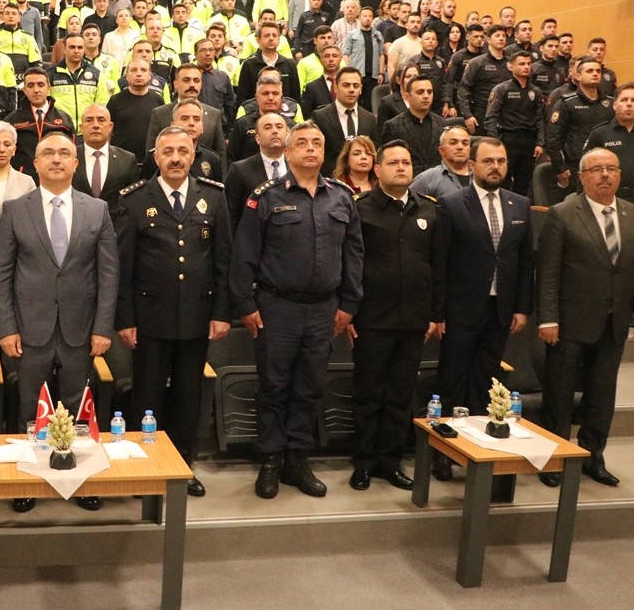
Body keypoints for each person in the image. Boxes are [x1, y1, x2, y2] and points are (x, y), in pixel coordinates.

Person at [230, 121, 363, 499]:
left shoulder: (341, 197)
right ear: (287, 153)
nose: (309, 148)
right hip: (277, 308)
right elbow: (244, 255)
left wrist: (350, 304)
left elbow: (354, 255)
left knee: (309, 388)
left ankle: (297, 459)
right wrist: (245, 304)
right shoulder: (266, 196)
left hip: (325, 310)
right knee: (273, 387)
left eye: (316, 143)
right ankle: (271, 459)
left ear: (325, 152)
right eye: (301, 143)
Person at [0, 132, 118, 513]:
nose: (57, 159)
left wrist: (103, 328)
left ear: (76, 163)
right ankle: (29, 479)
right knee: (31, 407)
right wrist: (7, 327)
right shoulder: (16, 209)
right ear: (35, 163)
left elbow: (109, 275)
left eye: (65, 153)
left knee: (77, 407)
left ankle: (80, 480)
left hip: (81, 329)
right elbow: (1, 273)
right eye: (48, 153)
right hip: (30, 329)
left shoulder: (97, 209)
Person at [114, 126, 231, 496]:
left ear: (194, 155)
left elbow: (223, 261)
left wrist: (222, 312)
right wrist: (126, 318)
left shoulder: (212, 198)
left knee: (188, 396)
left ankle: (182, 466)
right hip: (150, 319)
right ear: (155, 157)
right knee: (146, 395)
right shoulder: (134, 200)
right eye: (168, 151)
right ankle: (145, 468)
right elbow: (123, 267)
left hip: (197, 317)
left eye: (184, 150)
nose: (176, 157)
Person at [535, 148, 634, 488]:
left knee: (602, 395)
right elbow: (549, 273)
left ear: (620, 175)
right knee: (560, 394)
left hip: (613, 324)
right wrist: (548, 319)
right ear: (581, 177)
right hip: (568, 323)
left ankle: (592, 455)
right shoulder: (562, 214)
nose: (605, 175)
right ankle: (553, 458)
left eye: (611, 168)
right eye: (596, 169)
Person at [435, 138, 534, 479]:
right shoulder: (451, 204)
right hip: (460, 308)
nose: (496, 166)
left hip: (501, 309)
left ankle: (476, 448)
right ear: (472, 165)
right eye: (489, 160)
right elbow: (441, 263)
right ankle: (443, 452)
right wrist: (439, 312)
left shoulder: (520, 204)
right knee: (452, 380)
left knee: (485, 383)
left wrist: (522, 307)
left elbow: (524, 262)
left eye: (502, 161)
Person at [348, 140, 444, 490]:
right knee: (369, 393)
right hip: (372, 319)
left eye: (406, 162)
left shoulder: (429, 210)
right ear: (378, 169)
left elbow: (438, 266)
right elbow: (352, 266)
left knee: (401, 395)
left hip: (414, 320)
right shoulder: (361, 209)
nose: (401, 167)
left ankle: (390, 460)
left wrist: (436, 313)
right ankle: (363, 461)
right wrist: (350, 313)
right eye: (393, 163)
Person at [546, 56, 615, 190]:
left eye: (598, 71)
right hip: (576, 166)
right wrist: (560, 168)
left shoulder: (610, 103)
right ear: (578, 76)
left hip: (606, 165)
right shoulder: (566, 103)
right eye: (589, 71)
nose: (595, 74)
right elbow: (554, 139)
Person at [484, 50, 545, 196]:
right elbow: (491, 117)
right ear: (511, 67)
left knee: (523, 184)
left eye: (529, 64)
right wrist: (495, 143)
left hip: (529, 141)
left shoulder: (535, 91)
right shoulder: (502, 89)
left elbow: (540, 119)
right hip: (508, 139)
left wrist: (540, 143)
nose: (526, 67)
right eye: (522, 64)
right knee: (503, 182)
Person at [225, 112, 289, 234]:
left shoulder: (296, 167)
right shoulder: (240, 170)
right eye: (268, 127)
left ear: (287, 134)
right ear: (257, 138)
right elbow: (231, 216)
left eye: (279, 127)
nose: (275, 131)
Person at [584, 83, 634, 206]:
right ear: (614, 105)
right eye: (624, 100)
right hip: (612, 199)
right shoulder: (600, 133)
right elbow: (586, 170)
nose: (629, 104)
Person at [310, 67, 379, 176]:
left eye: (356, 86)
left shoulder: (370, 119)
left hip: (362, 181)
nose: (351, 89)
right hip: (330, 181)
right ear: (336, 88)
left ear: (361, 89)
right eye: (346, 85)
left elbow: (374, 152)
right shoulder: (320, 117)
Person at [381, 74, 446, 176]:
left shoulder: (442, 124)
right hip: (407, 182)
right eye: (420, 92)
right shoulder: (393, 125)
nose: (426, 96)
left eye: (429, 92)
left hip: (438, 183)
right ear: (407, 97)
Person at [73, 103, 137, 207]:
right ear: (81, 127)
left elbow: (134, 201)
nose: (95, 125)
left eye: (101, 120)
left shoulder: (127, 160)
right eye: (89, 120)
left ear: (110, 126)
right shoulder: (69, 158)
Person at [410, 125, 473, 200]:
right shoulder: (427, 179)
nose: (460, 147)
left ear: (469, 150)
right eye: (453, 143)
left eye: (465, 143)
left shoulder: (481, 175)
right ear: (442, 151)